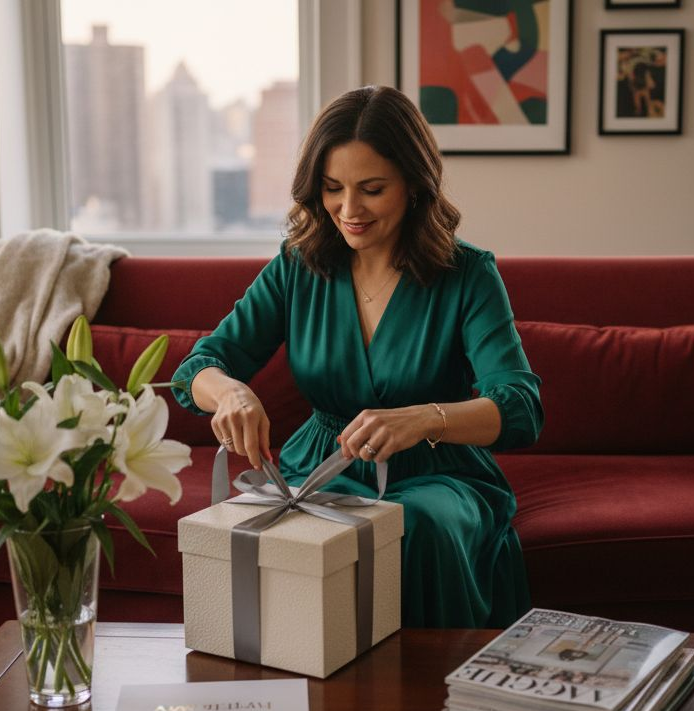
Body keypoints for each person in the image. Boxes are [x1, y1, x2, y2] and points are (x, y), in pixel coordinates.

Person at [171, 85, 543, 629]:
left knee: (415, 524)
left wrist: (424, 419)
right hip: (323, 468)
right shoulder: (297, 266)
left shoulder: (468, 274)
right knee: (306, 535)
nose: (349, 210)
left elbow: (520, 407)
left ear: (414, 185)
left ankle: (427, 681)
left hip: (438, 474)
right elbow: (198, 367)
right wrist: (230, 392)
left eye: (372, 189)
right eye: (332, 188)